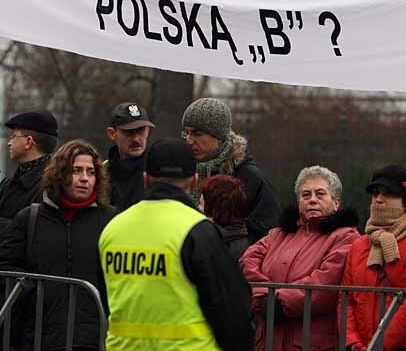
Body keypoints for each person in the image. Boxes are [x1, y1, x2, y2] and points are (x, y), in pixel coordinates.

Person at [99, 138, 254, 351]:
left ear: (145, 179)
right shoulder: (199, 230)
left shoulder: (113, 229)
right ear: (194, 181)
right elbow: (231, 309)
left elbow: (107, 299)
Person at [0, 139, 116, 350]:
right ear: (60, 174)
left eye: (90, 172)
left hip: (92, 339)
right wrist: (31, 291)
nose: (84, 179)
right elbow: (6, 266)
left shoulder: (110, 220)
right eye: (76, 170)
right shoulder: (30, 218)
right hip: (38, 336)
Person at [241, 165, 360, 351]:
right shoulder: (278, 233)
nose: (312, 200)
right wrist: (264, 296)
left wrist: (278, 302)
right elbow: (248, 261)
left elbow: (325, 284)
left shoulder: (346, 237)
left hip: (311, 342)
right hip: (269, 341)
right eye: (306, 195)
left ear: (336, 202)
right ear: (298, 202)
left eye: (320, 194)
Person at [340, 165, 406, 351]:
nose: (378, 199)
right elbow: (346, 299)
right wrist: (352, 342)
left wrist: (379, 345)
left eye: (388, 194)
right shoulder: (358, 245)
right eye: (375, 193)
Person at [181, 97, 280, 242]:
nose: (189, 140)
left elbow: (268, 235)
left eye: (197, 134)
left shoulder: (250, 179)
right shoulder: (182, 172)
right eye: (187, 133)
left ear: (219, 137)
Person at [0, 110, 58, 234]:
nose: (9, 143)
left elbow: (36, 233)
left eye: (13, 137)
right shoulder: (7, 185)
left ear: (28, 142)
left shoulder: (52, 187)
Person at [105, 102, 155, 211]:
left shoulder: (157, 170)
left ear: (148, 131)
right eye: (129, 132)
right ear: (112, 133)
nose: (136, 139)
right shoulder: (101, 173)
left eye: (141, 130)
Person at [199, 174, 251, 260]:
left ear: (214, 209)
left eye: (201, 204)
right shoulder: (237, 241)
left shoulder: (225, 249)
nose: (198, 209)